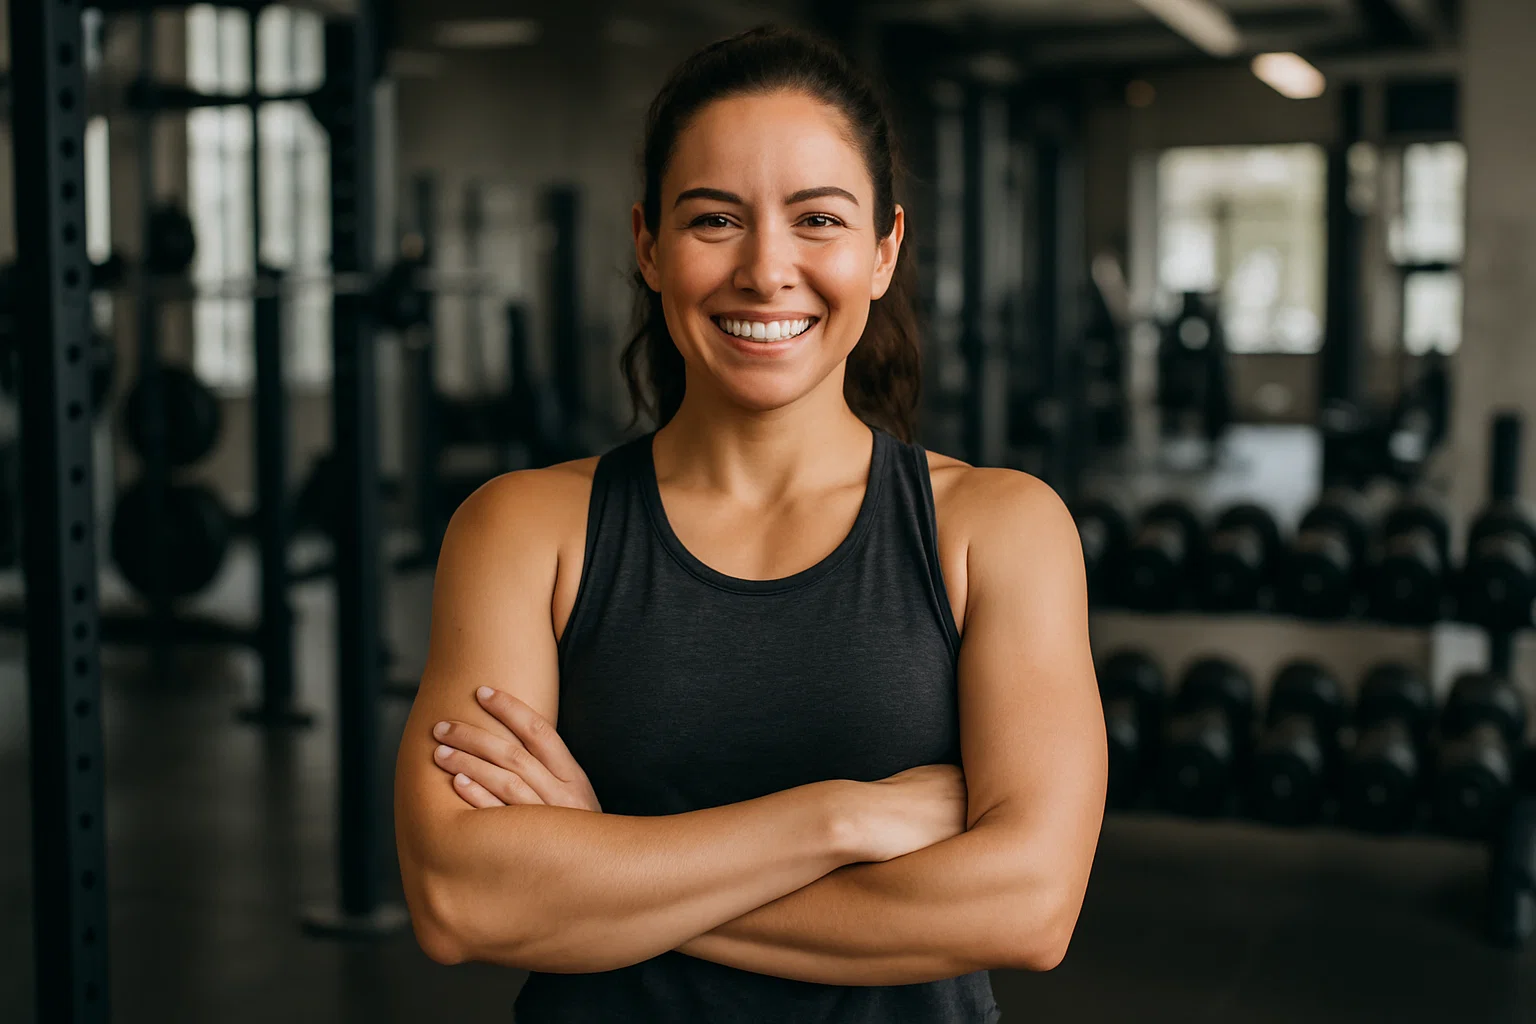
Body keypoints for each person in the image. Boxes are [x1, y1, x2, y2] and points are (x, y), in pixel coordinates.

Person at [394, 25, 1105, 1024]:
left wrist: (605, 861)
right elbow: (462, 900)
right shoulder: (521, 531)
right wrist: (842, 816)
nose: (767, 270)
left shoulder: (1000, 530)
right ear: (648, 244)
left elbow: (1029, 907)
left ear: (883, 251)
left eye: (818, 220)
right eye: (715, 220)